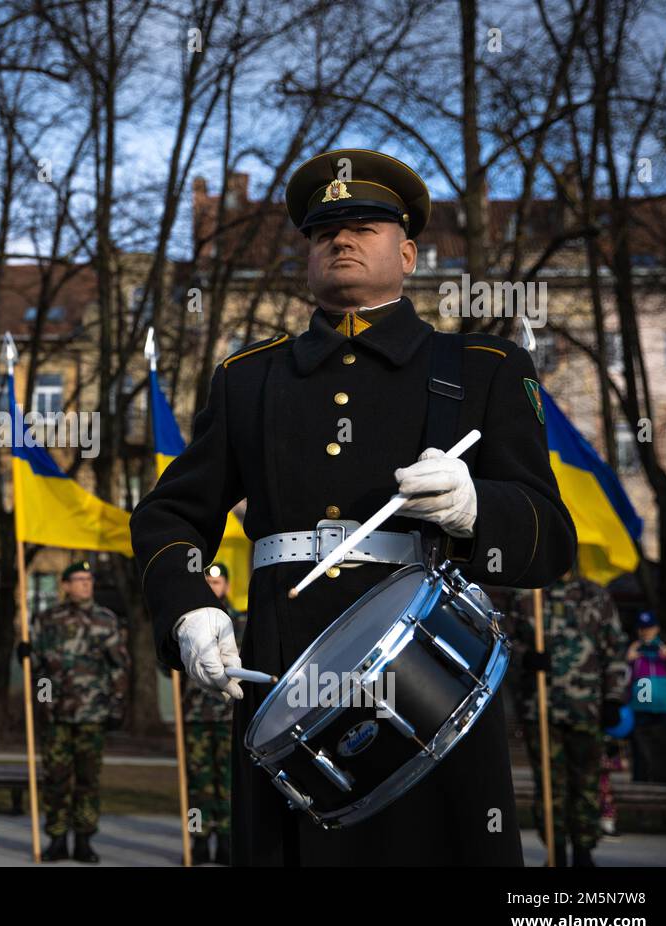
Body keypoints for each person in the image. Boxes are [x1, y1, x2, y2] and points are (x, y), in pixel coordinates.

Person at [131, 148, 576, 866]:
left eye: (364, 226)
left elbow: (552, 539)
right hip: (285, 678)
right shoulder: (250, 378)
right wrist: (187, 605)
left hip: (433, 683)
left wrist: (475, 508)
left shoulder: (481, 370)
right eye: (321, 232)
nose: (339, 240)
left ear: (406, 252)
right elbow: (170, 514)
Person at [513, 571, 630, 867]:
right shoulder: (529, 594)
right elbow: (503, 640)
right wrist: (525, 657)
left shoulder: (596, 596)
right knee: (550, 784)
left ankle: (584, 850)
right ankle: (556, 850)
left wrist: (614, 698)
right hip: (541, 708)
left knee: (586, 782)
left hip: (587, 707)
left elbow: (615, 649)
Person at [30, 560, 130, 863]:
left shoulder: (106, 619)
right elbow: (40, 669)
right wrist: (43, 701)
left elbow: (119, 667)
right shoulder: (47, 620)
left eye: (89, 579)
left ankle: (84, 840)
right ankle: (57, 838)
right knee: (56, 779)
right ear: (65, 585)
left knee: (88, 779)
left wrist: (116, 704)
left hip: (92, 713)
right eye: (79, 579)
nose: (86, 584)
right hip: (57, 714)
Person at [184, 564, 238, 865]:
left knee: (229, 780)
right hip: (196, 714)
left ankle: (229, 839)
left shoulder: (241, 622)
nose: (212, 587)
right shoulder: (187, 625)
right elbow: (168, 665)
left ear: (226, 587)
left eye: (217, 582)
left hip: (231, 715)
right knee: (198, 782)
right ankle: (199, 839)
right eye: (207, 582)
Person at [626, 611, 666, 784]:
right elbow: (623, 680)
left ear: (657, 629)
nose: (646, 632)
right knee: (640, 751)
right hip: (641, 708)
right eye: (642, 629)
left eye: (649, 628)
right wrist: (628, 660)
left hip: (665, 708)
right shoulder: (634, 654)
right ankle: (640, 781)